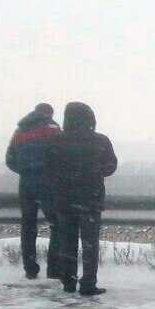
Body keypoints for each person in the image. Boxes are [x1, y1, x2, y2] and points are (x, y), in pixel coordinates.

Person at [43, 102, 118, 296]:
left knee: (67, 243)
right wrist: (94, 172)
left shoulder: (56, 141)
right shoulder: (100, 141)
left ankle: (68, 281)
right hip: (90, 200)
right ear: (90, 119)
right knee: (90, 244)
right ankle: (88, 283)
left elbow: (48, 167)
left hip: (64, 200)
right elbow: (111, 166)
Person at [5, 102, 60, 279]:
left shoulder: (19, 131)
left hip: (26, 183)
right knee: (56, 224)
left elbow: (10, 160)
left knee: (28, 226)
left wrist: (25, 170)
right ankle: (54, 268)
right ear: (49, 113)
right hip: (47, 182)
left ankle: (30, 269)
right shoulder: (52, 127)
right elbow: (61, 153)